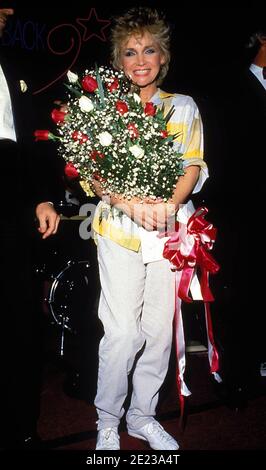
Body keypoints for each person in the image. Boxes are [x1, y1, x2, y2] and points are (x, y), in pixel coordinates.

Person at [91, 7, 208, 450]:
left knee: (159, 332)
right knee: (123, 332)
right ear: (118, 61)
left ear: (163, 56)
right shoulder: (104, 110)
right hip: (118, 227)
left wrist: (168, 208)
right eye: (129, 52)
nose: (140, 60)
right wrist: (130, 206)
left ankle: (141, 417)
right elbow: (93, 176)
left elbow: (192, 164)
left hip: (168, 231)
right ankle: (107, 419)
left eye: (149, 50)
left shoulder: (182, 106)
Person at [0, 5, 60, 449]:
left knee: (19, 317)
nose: (8, 10)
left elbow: (31, 142)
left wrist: (41, 196)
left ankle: (22, 426)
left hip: (11, 198)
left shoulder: (15, 67)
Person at [197, 25, 266, 408]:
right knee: (235, 297)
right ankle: (233, 374)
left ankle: (256, 363)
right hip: (239, 215)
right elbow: (217, 158)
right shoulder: (227, 89)